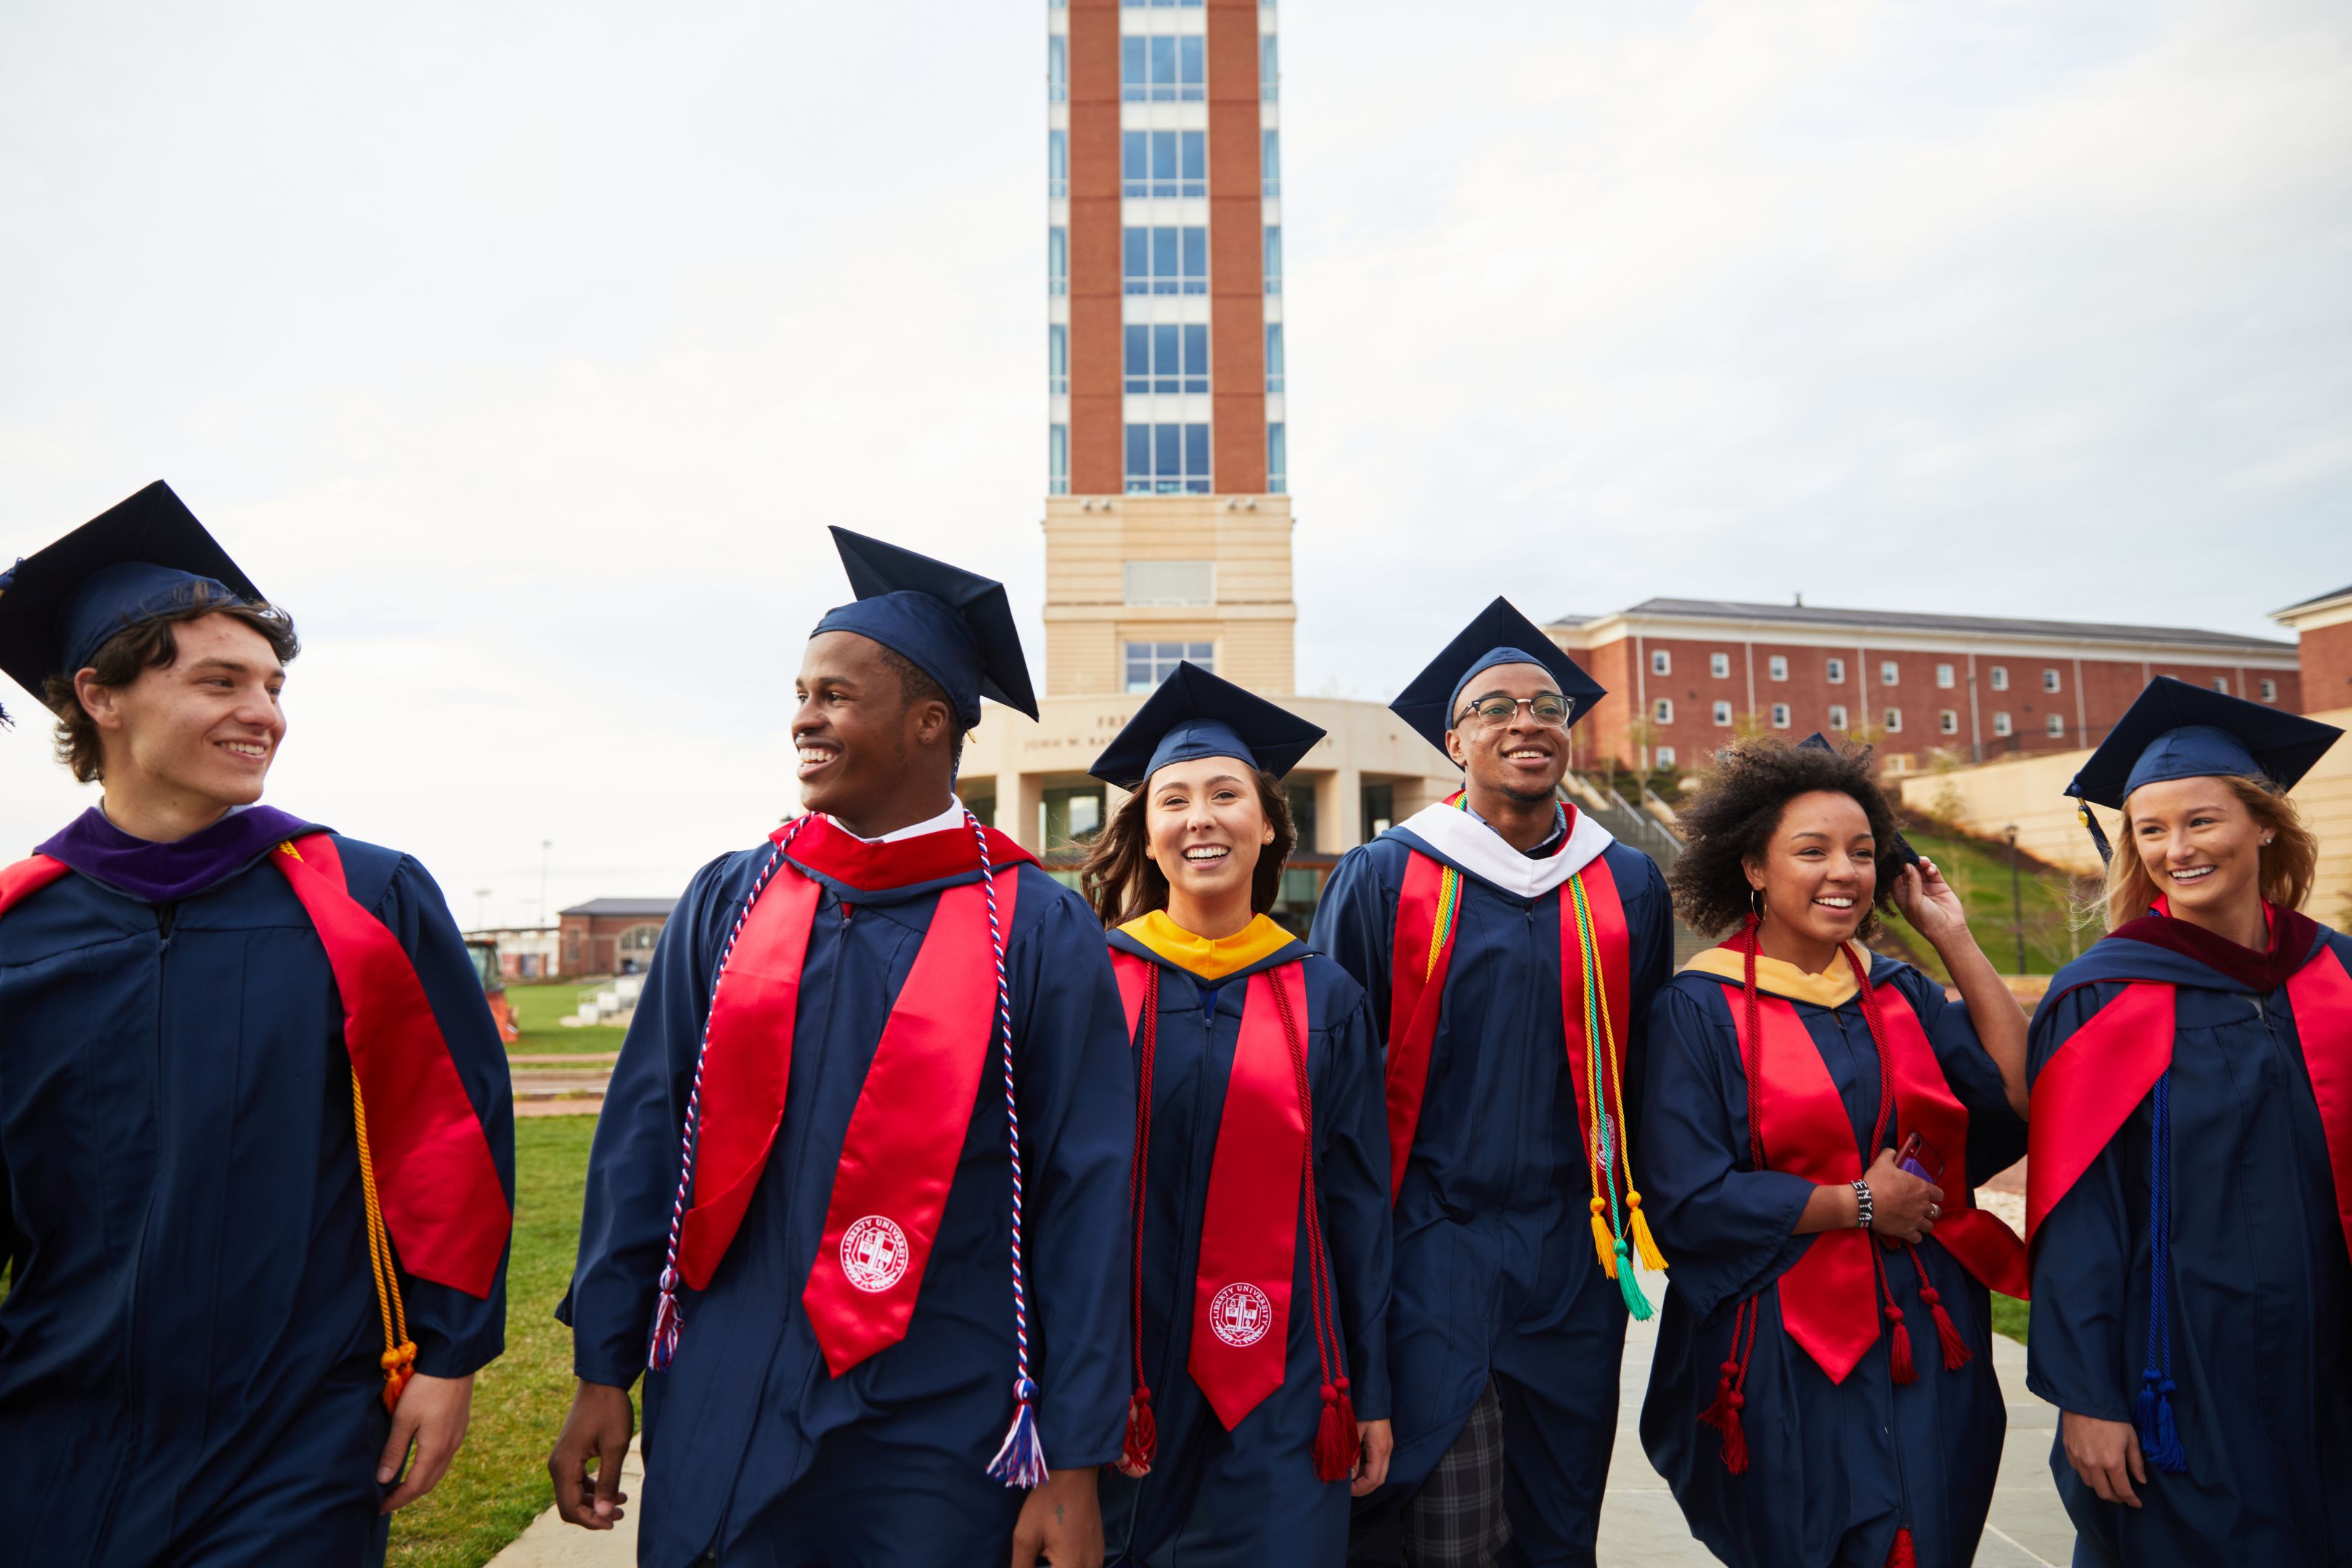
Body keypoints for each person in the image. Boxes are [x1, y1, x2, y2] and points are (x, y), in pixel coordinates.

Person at [552, 528, 1134, 1568]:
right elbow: (645, 1139)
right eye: (800, 692)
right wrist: (606, 1365)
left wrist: (1073, 1455)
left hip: (938, 1417)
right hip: (723, 1392)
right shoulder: (733, 898)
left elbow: (1086, 1198)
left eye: (832, 695)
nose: (802, 719)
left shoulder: (1037, 928)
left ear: (926, 723)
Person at [0, 481, 515, 1564]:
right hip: (55, 1426)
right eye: (219, 681)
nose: (265, 714)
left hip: (297, 1431)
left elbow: (450, 1142)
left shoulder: (365, 900)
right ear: (101, 696)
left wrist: (448, 1358)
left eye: (274, 686)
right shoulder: (20, 929)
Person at [1310, 597, 1673, 1568]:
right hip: (1431, 1246)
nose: (1526, 722)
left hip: (1575, 1255)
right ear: (1454, 740)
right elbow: (1333, 1078)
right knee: (1440, 1522)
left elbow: (1645, 1070)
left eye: (1547, 705)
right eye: (1496, 707)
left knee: (1559, 1521)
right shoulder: (1386, 876)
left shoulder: (1628, 882)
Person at [1636, 735, 2029, 1568]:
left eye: (1861, 852)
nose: (1842, 872)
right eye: (1810, 851)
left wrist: (1951, 935)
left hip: (1925, 1324)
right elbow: (1685, 1199)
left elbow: (2020, 1092)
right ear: (1753, 868)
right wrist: (1855, 1203)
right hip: (1782, 1332)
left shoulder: (1899, 991)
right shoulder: (1697, 1011)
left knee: (1931, 1530)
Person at [2025, 677, 2352, 1564]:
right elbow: (2077, 1215)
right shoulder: (2102, 995)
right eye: (2152, 830)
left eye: (2202, 820)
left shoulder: (2337, 976)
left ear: (2264, 823)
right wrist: (2089, 1396)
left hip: (2330, 1357)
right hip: (2177, 1368)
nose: (2178, 849)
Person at [1077, 662, 1394, 1566]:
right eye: (1172, 799)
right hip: (1121, 1367)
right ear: (1145, 831)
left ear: (1267, 826)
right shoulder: (1094, 982)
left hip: (1290, 1373)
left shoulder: (1325, 996)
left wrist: (1367, 1388)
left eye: (1226, 794)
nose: (1200, 818)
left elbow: (1359, 1204)